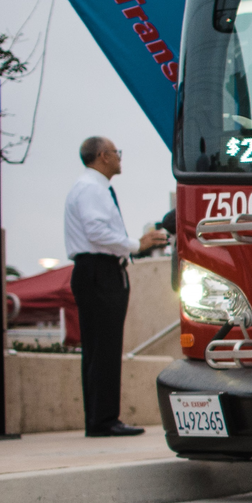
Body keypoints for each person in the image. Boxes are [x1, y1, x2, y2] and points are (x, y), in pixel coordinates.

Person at [64, 136, 167, 436]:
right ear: (103, 156)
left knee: (100, 348)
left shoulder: (91, 187)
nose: (120, 157)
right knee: (104, 347)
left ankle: (100, 418)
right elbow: (95, 231)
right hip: (99, 270)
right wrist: (136, 244)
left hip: (98, 269)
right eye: (116, 152)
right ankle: (103, 420)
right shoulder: (91, 188)